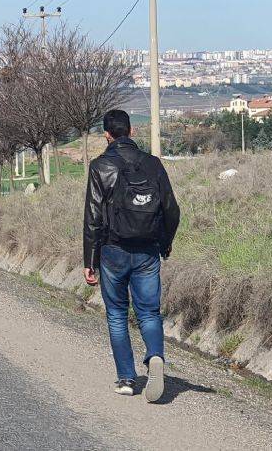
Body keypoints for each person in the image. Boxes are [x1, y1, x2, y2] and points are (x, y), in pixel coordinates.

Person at [83, 109, 180, 402]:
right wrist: (164, 242)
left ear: (107, 134)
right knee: (149, 311)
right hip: (147, 250)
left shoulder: (100, 166)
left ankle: (126, 378)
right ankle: (154, 356)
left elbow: (93, 217)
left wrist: (90, 261)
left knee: (116, 314)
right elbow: (171, 209)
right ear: (132, 132)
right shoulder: (152, 164)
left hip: (113, 250)